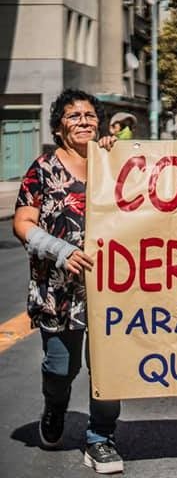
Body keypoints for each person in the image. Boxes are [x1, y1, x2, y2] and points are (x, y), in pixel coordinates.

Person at [12, 89, 123, 474]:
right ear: (59, 125)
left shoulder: (113, 162)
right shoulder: (42, 169)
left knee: (110, 366)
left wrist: (117, 149)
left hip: (113, 287)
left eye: (90, 115)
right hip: (59, 289)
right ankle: (54, 408)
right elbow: (22, 224)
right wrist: (59, 250)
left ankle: (101, 438)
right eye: (74, 116)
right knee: (62, 368)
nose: (84, 122)